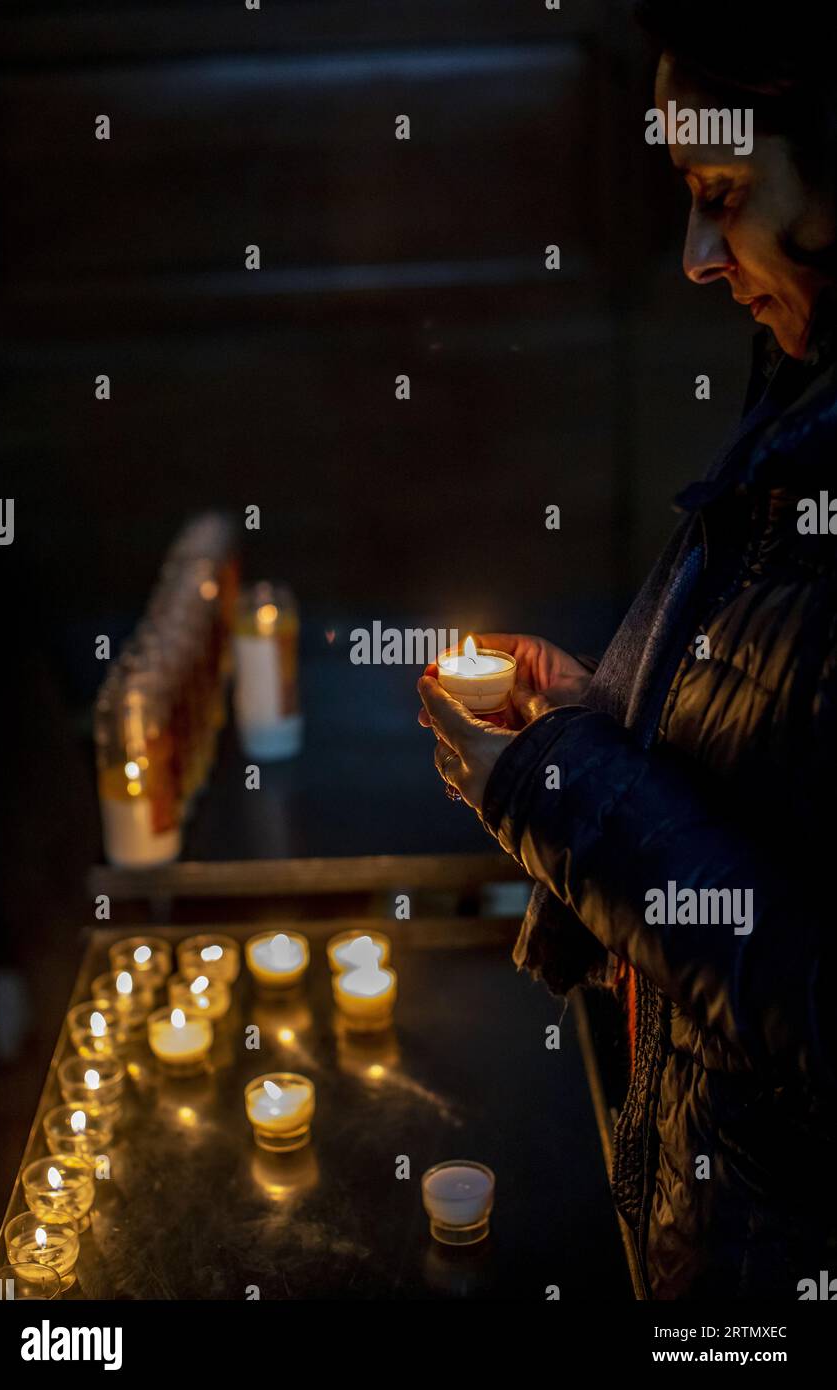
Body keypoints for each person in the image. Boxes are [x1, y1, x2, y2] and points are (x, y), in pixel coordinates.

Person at [418, 0, 837, 1300]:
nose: (696, 256)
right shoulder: (801, 407)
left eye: (722, 192)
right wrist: (595, 716)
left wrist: (555, 784)